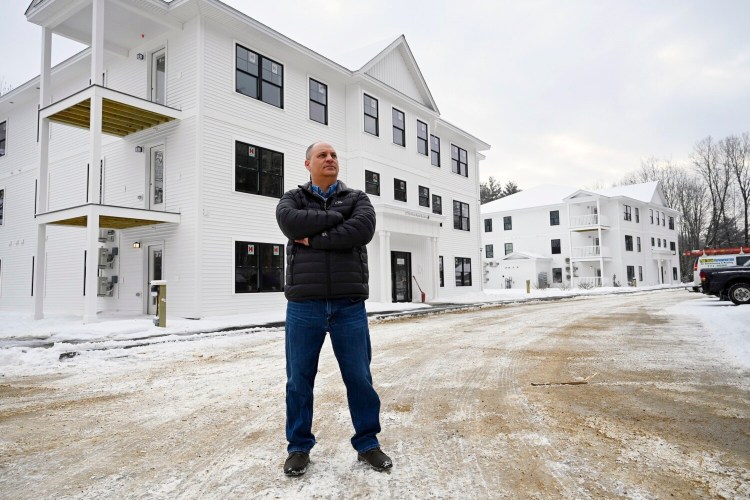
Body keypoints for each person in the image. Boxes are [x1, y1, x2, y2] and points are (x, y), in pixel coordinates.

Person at [275, 141, 392, 476]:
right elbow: (291, 224)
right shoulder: (292, 199)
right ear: (308, 163)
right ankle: (298, 448)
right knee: (299, 380)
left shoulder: (357, 199)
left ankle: (368, 444)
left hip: (348, 304)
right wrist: (334, 219)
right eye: (322, 155)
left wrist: (316, 237)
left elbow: (362, 230)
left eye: (334, 155)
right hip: (303, 306)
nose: (330, 159)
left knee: (359, 377)